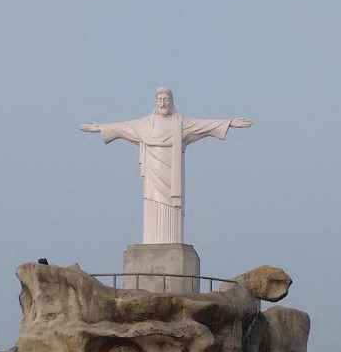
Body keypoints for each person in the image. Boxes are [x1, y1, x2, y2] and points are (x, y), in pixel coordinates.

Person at [79, 87, 251, 244]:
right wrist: (101, 127)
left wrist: (229, 123)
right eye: (159, 100)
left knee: (172, 211)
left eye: (166, 99)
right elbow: (122, 128)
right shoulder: (144, 124)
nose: (162, 103)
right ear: (155, 102)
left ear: (171, 102)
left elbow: (204, 125)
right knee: (152, 206)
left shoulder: (181, 122)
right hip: (152, 178)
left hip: (172, 177)